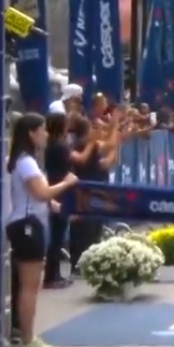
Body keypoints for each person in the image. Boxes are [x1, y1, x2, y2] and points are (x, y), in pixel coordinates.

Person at [6, 112, 79, 347]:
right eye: (42, 130)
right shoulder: (25, 162)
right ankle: (27, 340)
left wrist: (56, 206)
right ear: (31, 133)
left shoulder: (27, 160)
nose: (46, 134)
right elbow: (41, 193)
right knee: (30, 287)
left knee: (28, 286)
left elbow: (40, 197)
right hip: (27, 226)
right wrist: (67, 183)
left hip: (29, 223)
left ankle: (24, 334)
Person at [41, 112, 94, 288]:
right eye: (65, 124)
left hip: (57, 186)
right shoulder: (59, 147)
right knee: (57, 233)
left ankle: (54, 273)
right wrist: (91, 144)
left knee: (58, 232)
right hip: (60, 189)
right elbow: (79, 159)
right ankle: (51, 276)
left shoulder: (52, 146)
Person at [66, 114, 122, 270]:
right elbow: (110, 145)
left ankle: (86, 259)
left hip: (93, 188)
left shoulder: (87, 144)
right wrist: (114, 126)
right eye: (94, 128)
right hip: (87, 188)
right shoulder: (84, 144)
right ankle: (80, 261)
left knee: (93, 226)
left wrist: (112, 128)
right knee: (85, 227)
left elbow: (109, 147)